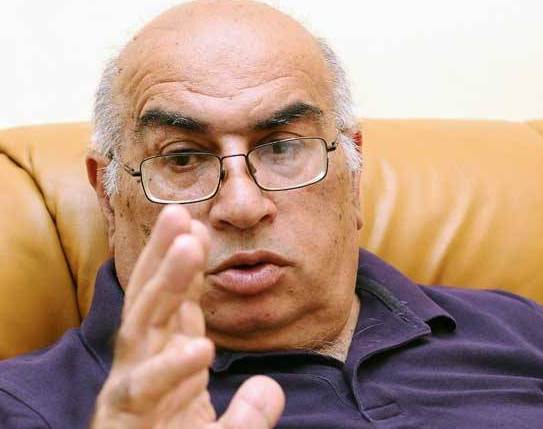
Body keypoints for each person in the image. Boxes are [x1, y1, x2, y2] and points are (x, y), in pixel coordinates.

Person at [1, 0, 543, 428]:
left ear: (353, 176)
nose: (241, 207)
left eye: (282, 148)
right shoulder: (24, 407)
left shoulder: (519, 328)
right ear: (108, 198)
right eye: (183, 158)